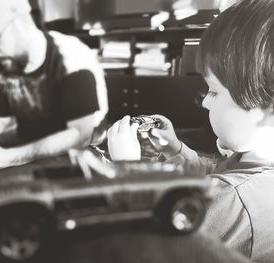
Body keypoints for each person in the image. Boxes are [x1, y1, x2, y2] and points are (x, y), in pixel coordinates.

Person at [107, 0, 274, 262]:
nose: (205, 101)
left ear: (268, 110)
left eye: (215, 91)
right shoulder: (253, 162)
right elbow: (217, 173)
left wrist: (127, 171)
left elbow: (149, 242)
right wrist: (175, 150)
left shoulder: (233, 201)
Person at [0, 0, 108, 191]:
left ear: (20, 22)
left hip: (73, 147)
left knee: (15, 178)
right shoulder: (3, 62)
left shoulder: (71, 58)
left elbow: (79, 136)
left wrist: (8, 158)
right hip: (27, 134)